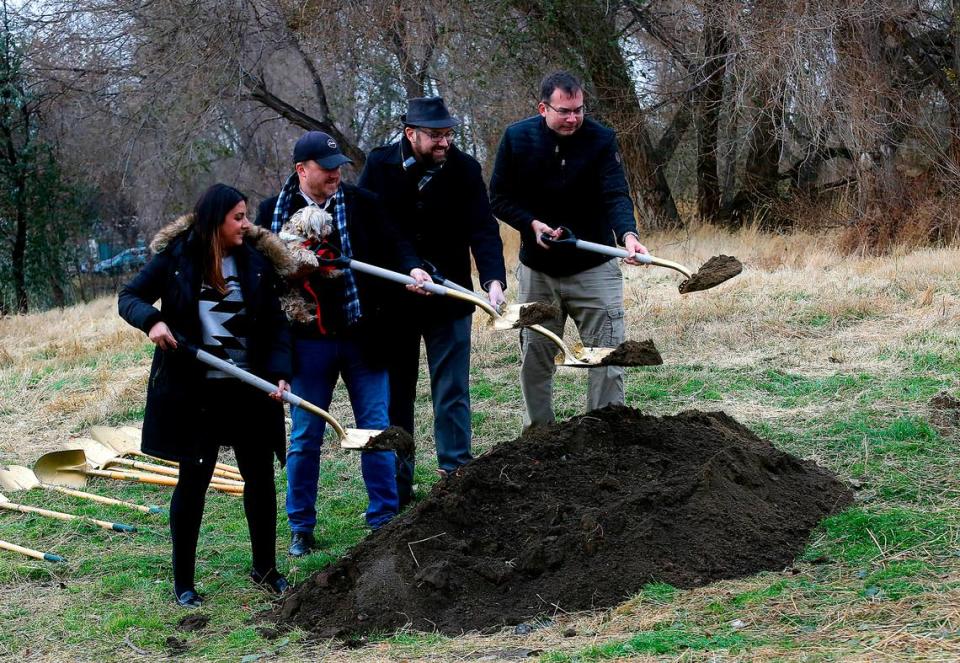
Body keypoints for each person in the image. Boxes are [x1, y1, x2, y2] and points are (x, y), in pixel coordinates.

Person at [118, 183, 292, 608]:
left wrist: (281, 374)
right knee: (192, 484)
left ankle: (265, 570)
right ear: (215, 221)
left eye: (246, 215)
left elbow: (275, 325)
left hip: (249, 389)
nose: (246, 224)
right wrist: (153, 322)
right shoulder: (177, 259)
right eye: (237, 217)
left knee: (261, 481)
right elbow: (130, 297)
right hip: (196, 394)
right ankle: (184, 583)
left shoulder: (254, 262)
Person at [256, 131, 429, 557]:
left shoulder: (361, 203)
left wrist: (414, 269)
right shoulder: (270, 214)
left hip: (362, 335)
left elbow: (396, 243)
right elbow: (262, 280)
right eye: (326, 168)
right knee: (306, 435)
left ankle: (384, 519)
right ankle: (301, 526)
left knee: (374, 427)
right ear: (302, 170)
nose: (335, 174)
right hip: (307, 343)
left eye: (338, 167)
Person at [359, 96, 506, 506]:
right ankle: (398, 486)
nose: (444, 142)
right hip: (395, 302)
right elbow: (373, 227)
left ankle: (456, 476)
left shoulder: (465, 169)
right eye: (436, 135)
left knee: (452, 389)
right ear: (410, 133)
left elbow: (483, 228)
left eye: (448, 134)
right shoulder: (380, 165)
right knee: (397, 395)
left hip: (450, 297)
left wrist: (493, 279)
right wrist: (404, 269)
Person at [489, 71, 649, 427]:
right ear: (543, 108)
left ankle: (603, 434)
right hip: (538, 272)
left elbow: (615, 193)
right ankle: (541, 435)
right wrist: (531, 224)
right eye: (564, 111)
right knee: (536, 355)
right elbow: (498, 198)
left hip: (595, 267)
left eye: (578, 110)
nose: (573, 118)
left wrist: (627, 235)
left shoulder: (601, 139)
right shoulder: (517, 138)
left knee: (607, 355)